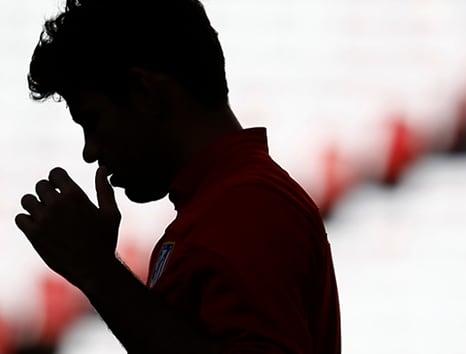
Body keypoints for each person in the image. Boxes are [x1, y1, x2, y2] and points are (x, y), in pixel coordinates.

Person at [15, 0, 341, 353]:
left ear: (146, 93)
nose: (90, 151)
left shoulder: (246, 206)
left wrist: (99, 272)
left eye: (92, 121)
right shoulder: (226, 204)